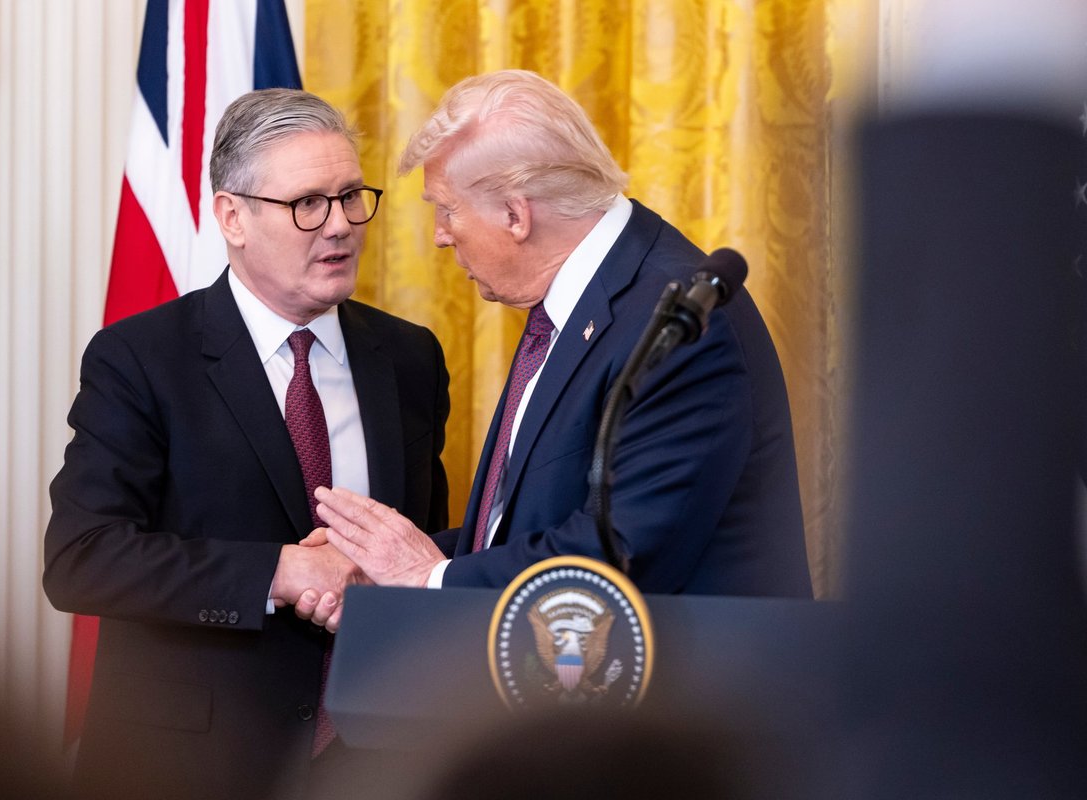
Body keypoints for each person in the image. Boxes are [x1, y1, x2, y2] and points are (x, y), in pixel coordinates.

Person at [43, 88, 449, 800]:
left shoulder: (410, 357)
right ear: (232, 216)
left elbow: (424, 541)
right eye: (308, 203)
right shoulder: (141, 358)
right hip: (187, 767)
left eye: (351, 197)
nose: (340, 225)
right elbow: (84, 559)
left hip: (373, 762)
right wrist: (285, 572)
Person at [308, 69, 810, 601]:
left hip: (686, 656)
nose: (439, 236)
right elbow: (526, 527)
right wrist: (390, 564)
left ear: (515, 215)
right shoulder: (579, 298)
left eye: (447, 210)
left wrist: (430, 578)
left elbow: (623, 553)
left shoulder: (678, 329)